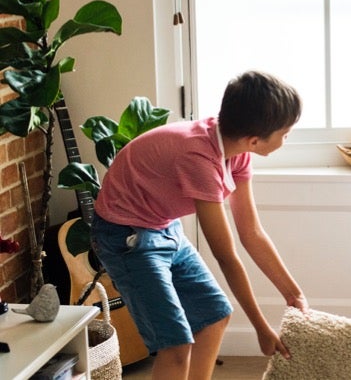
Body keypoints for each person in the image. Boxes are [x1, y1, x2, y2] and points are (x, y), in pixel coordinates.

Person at [91, 71, 309, 379]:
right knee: (176, 343)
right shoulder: (198, 159)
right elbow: (226, 257)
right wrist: (262, 328)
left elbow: (251, 232)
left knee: (215, 316)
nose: (287, 138)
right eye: (285, 133)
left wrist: (293, 293)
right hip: (126, 237)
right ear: (255, 139)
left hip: (163, 227)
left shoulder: (236, 152)